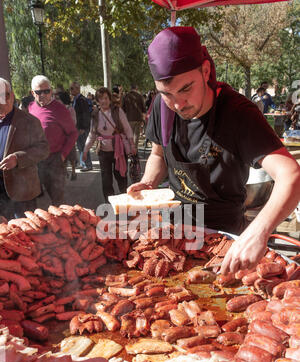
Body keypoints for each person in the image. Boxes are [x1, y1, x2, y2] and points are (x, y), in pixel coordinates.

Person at [127, 26, 300, 274]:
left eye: (186, 89)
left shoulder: (239, 114)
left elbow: (291, 175)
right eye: (167, 93)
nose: (177, 104)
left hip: (225, 240)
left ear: (205, 71)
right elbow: (157, 154)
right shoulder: (162, 108)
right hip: (174, 238)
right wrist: (148, 183)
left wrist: (259, 230)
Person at [0, 78, 49, 220]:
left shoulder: (29, 121)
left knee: (25, 235)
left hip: (22, 193)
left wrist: (18, 158)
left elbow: (43, 149)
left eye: (3, 96)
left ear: (11, 95)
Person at [28, 75, 78, 207]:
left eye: (47, 91)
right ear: (32, 93)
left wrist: (62, 155)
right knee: (32, 199)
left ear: (51, 91)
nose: (43, 95)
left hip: (54, 161)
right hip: (35, 161)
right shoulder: (30, 108)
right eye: (39, 92)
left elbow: (73, 134)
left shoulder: (60, 109)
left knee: (58, 200)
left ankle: (61, 226)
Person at [82, 86, 136, 202]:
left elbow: (127, 128)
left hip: (119, 150)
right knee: (106, 180)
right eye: (101, 98)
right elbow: (92, 134)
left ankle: (125, 201)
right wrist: (85, 150)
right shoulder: (95, 114)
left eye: (106, 98)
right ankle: (109, 202)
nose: (104, 101)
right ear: (97, 100)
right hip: (103, 152)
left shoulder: (117, 111)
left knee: (121, 177)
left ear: (109, 99)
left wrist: (132, 145)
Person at [55, 90, 78, 181]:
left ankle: (73, 171)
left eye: (57, 99)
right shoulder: (57, 109)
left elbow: (74, 122)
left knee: (71, 156)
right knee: (62, 155)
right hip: (60, 137)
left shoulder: (70, 109)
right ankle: (64, 171)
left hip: (69, 137)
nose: (55, 100)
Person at [70, 81, 92, 172]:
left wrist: (83, 127)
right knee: (80, 146)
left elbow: (85, 115)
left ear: (78, 89)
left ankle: (88, 164)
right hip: (77, 127)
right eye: (70, 88)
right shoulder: (76, 99)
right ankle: (83, 163)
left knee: (84, 146)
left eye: (72, 88)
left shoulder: (81, 100)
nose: (70, 90)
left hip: (82, 128)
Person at [122, 84, 146, 152]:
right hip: (138, 118)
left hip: (129, 118)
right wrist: (143, 119)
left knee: (130, 134)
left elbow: (123, 109)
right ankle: (135, 150)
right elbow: (143, 109)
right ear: (136, 88)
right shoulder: (140, 96)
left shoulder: (126, 96)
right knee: (136, 135)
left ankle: (130, 149)